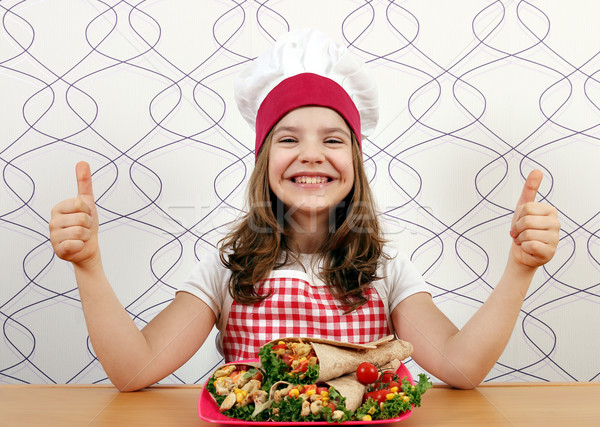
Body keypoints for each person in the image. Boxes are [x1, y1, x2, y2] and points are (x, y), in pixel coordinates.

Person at [49, 29, 560, 392]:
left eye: (333, 139)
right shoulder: (225, 272)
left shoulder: (386, 270)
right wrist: (89, 265)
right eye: (289, 138)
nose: (312, 154)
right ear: (264, 161)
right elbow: (133, 369)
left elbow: (461, 366)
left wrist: (519, 269)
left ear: (355, 164)